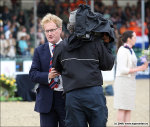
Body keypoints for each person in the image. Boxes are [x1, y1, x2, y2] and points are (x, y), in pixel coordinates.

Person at [52, 9, 115, 127]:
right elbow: (108, 65)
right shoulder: (97, 44)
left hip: (72, 95)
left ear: (70, 27)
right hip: (94, 94)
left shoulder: (61, 46)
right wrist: (106, 42)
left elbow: (56, 68)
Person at [29, 13, 65, 127]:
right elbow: (33, 74)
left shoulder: (69, 48)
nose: (49, 33)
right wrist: (48, 76)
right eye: (47, 31)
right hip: (46, 100)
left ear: (60, 29)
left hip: (67, 99)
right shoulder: (39, 50)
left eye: (52, 30)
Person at [113, 30, 148, 124]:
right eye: (134, 37)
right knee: (122, 108)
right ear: (129, 39)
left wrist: (144, 65)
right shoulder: (122, 50)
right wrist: (140, 68)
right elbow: (122, 70)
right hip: (123, 82)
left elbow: (132, 67)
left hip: (130, 81)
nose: (136, 39)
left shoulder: (131, 50)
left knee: (129, 108)